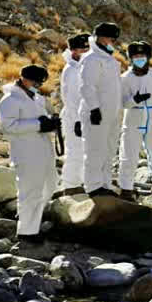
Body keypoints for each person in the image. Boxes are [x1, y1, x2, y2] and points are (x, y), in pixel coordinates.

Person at [0, 65, 61, 244]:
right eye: (35, 81)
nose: (38, 85)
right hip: (26, 153)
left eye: (40, 82)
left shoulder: (37, 99)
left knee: (50, 186)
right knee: (30, 191)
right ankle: (27, 232)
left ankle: (32, 221)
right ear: (24, 79)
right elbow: (8, 127)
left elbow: (42, 120)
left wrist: (51, 123)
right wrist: (38, 125)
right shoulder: (10, 100)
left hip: (43, 151)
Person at [118, 41, 152, 203]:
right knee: (128, 154)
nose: (139, 59)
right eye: (135, 56)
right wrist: (135, 100)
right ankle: (126, 188)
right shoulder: (124, 78)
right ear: (130, 58)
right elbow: (122, 102)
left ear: (148, 57)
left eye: (142, 56)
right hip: (133, 118)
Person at [79, 23, 123, 197]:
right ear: (99, 37)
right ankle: (93, 187)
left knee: (109, 149)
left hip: (112, 114)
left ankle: (105, 184)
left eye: (114, 38)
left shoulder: (110, 60)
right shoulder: (91, 59)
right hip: (96, 113)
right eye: (109, 37)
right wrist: (94, 108)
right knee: (95, 150)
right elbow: (87, 87)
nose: (112, 41)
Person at [58, 33, 91, 196]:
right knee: (75, 152)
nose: (85, 51)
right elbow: (72, 99)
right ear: (74, 51)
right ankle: (71, 186)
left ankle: (83, 183)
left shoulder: (82, 67)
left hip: (85, 117)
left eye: (87, 48)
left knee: (86, 152)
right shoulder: (71, 71)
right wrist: (79, 121)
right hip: (74, 118)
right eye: (82, 49)